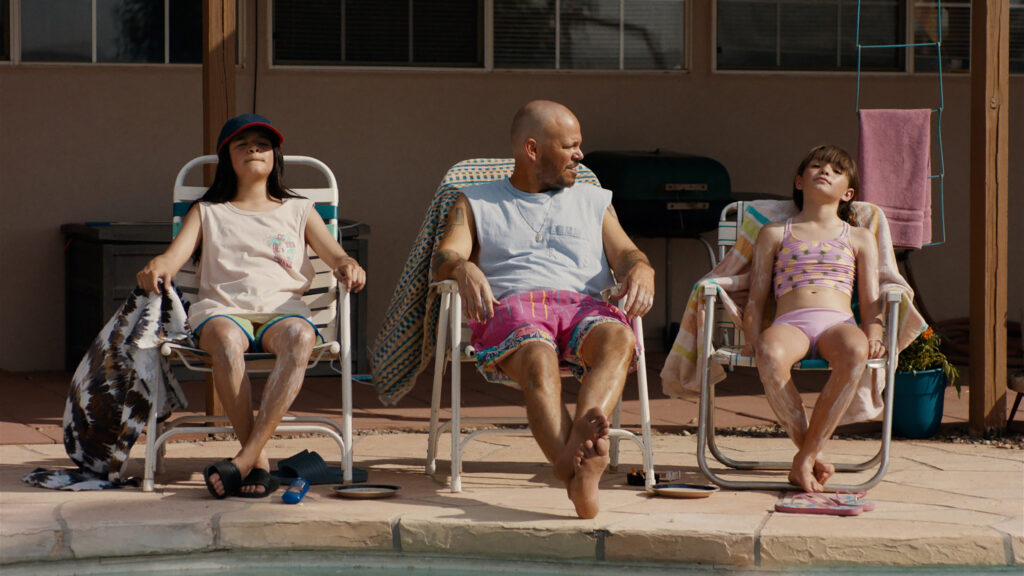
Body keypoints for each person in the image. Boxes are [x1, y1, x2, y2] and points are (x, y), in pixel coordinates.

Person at [431, 100, 655, 518]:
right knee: (538, 356)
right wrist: (463, 268)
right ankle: (580, 470)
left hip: (584, 307)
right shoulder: (476, 200)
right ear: (532, 150)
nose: (580, 155)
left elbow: (624, 252)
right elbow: (445, 255)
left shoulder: (593, 199)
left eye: (579, 145)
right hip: (515, 308)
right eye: (570, 146)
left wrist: (641, 268)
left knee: (619, 336)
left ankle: (572, 457)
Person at [136, 114, 365, 498]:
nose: (254, 150)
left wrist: (348, 265)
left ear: (275, 156)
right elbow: (171, 259)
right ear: (227, 157)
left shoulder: (300, 209)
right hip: (221, 311)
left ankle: (244, 461)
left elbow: (336, 255)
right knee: (225, 339)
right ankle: (256, 462)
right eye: (243, 144)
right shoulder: (208, 211)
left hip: (283, 312)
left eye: (263, 144)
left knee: (300, 335)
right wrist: (158, 265)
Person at [742, 145, 886, 493]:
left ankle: (804, 460)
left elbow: (870, 302)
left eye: (836, 171)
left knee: (856, 350)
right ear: (799, 181)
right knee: (770, 354)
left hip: (838, 323)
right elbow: (756, 297)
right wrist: (751, 336)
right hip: (791, 322)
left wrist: (875, 330)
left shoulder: (859, 237)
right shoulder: (775, 233)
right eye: (816, 167)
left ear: (848, 193)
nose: (825, 172)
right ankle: (809, 455)